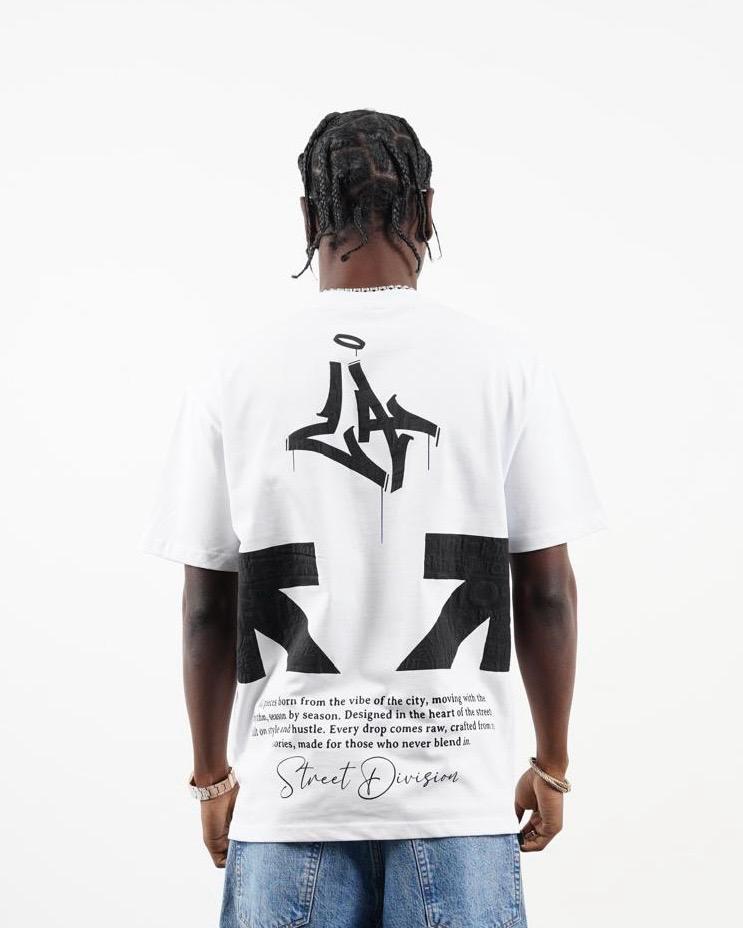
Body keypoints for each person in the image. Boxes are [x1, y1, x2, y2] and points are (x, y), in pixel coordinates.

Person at [142, 109, 607, 928]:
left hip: (291, 800)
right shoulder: (507, 368)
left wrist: (212, 779)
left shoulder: (232, 378)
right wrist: (552, 764)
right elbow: (545, 594)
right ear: (426, 210)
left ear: (307, 218)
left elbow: (208, 606)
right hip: (457, 796)